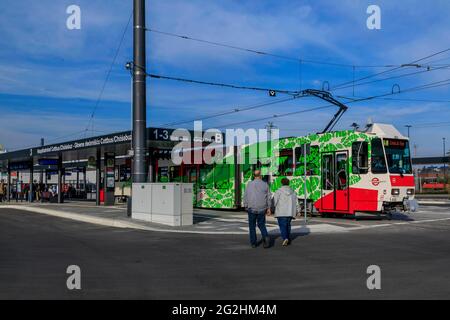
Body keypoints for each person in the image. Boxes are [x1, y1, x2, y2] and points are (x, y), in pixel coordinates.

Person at [243, 170, 271, 248]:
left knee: (252, 226)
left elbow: (246, 195)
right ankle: (265, 236)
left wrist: (245, 205)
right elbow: (268, 197)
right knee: (261, 224)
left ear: (254, 176)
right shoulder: (265, 184)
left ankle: (254, 243)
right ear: (260, 175)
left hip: (251, 208)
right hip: (262, 208)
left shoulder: (249, 184)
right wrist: (269, 208)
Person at [273, 178, 298, 246]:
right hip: (290, 212)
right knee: (288, 225)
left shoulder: (278, 191)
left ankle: (285, 238)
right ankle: (288, 238)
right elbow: (296, 202)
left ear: (282, 183)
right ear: (288, 183)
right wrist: (298, 210)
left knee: (282, 226)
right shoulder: (293, 191)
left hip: (281, 212)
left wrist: (272, 208)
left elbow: (275, 201)